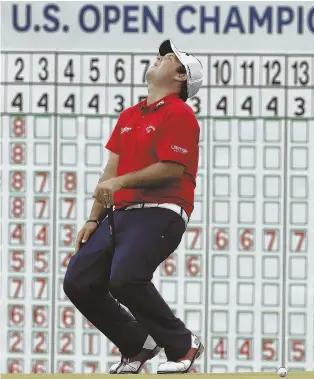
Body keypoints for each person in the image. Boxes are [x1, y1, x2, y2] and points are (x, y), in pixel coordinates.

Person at [63, 38, 204, 374]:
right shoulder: (130, 114)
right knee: (79, 281)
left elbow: (172, 168)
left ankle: (183, 345)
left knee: (125, 278)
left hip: (162, 210)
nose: (158, 59)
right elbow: (110, 171)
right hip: (119, 214)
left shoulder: (181, 113)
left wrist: (121, 184)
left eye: (167, 58)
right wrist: (92, 218)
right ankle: (136, 344)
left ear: (181, 76)